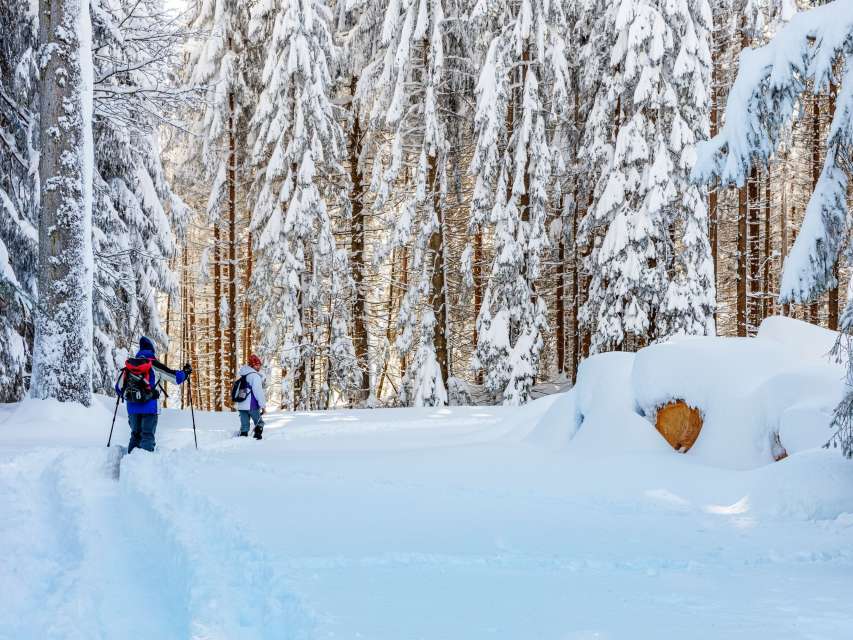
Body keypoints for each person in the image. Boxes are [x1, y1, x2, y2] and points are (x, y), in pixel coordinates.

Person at [115, 336, 192, 453]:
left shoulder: (130, 366)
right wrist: (185, 373)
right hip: (150, 407)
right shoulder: (154, 365)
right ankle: (144, 465)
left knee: (135, 436)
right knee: (147, 436)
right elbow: (175, 378)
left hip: (132, 408)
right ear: (152, 350)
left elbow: (118, 389)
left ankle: (130, 465)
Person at [235, 354, 266, 439]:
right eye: (256, 365)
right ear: (252, 365)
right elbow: (258, 392)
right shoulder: (255, 376)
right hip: (252, 405)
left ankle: (242, 439)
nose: (258, 367)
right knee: (259, 422)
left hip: (241, 404)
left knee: (244, 426)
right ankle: (257, 440)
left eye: (259, 364)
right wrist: (263, 406)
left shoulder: (242, 374)